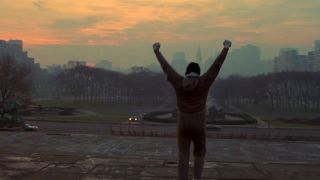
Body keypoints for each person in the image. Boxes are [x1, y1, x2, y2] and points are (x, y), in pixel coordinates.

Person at [153, 40, 232, 180]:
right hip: (199, 124)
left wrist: (157, 51)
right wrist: (225, 48)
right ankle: (197, 178)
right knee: (200, 153)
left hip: (183, 124)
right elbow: (216, 66)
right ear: (198, 72)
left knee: (183, 155)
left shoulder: (178, 81)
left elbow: (166, 67)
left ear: (187, 72)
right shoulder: (204, 81)